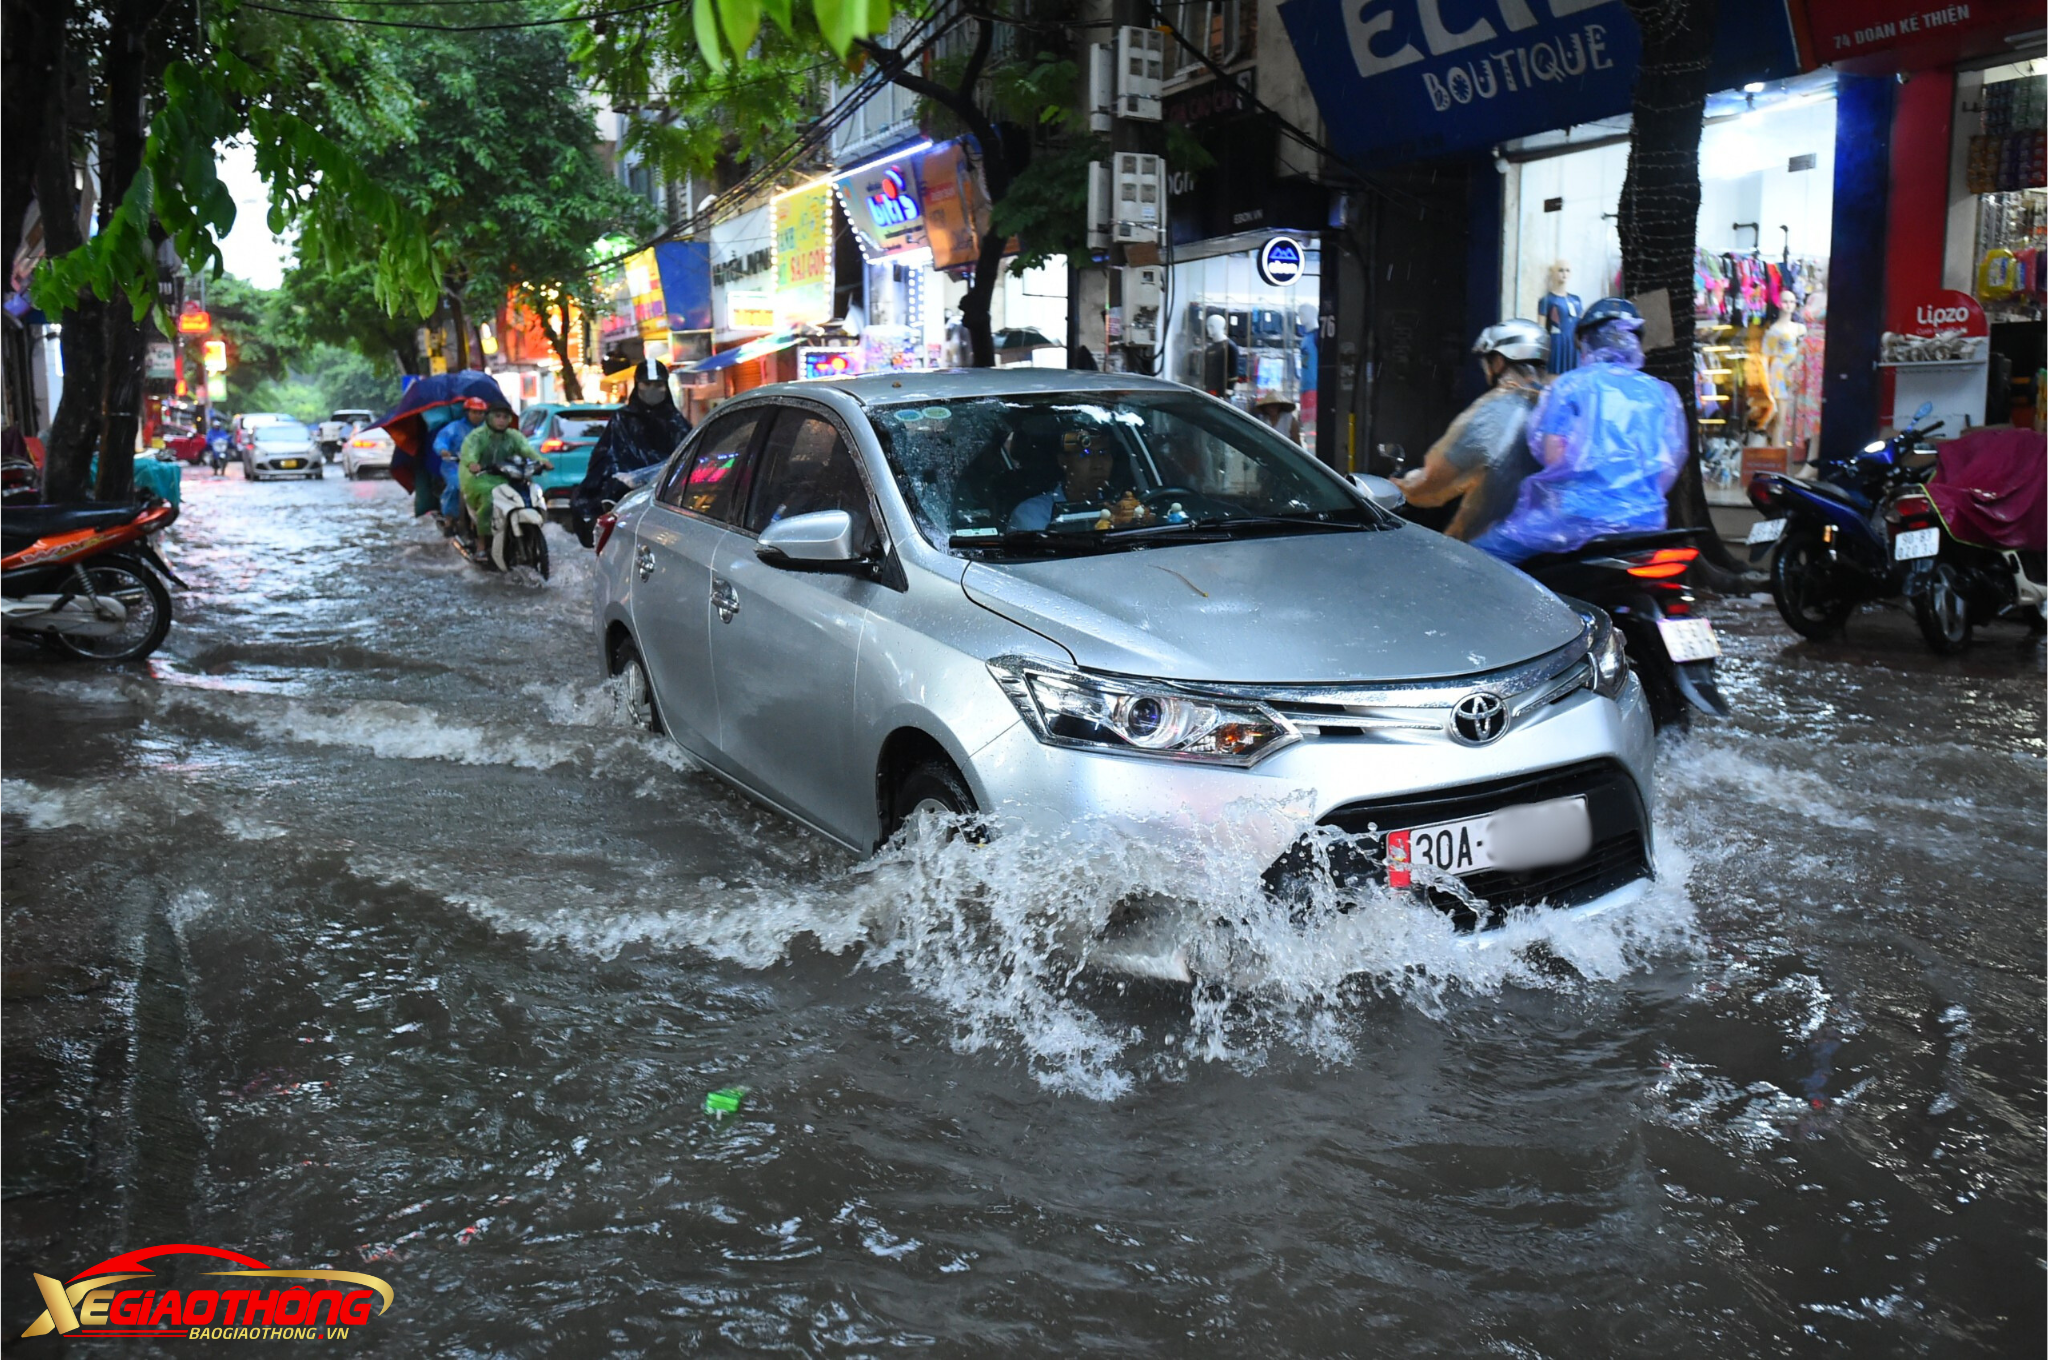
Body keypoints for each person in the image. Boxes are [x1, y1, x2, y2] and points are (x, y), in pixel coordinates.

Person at [1470, 298, 1688, 564]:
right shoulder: (1660, 393)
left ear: (1585, 341)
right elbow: (1667, 466)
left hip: (1572, 518)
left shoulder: (1569, 386)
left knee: (1479, 557)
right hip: (1645, 520)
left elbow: (1553, 455)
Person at [1398, 319, 1548, 542]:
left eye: (1488, 361)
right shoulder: (1552, 402)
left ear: (1498, 362)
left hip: (1499, 537)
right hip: (1542, 532)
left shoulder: (1499, 411)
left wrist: (1402, 486)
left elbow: (1437, 479)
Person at [570, 358, 692, 546]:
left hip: (667, 496)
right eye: (647, 384)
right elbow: (606, 455)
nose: (653, 389)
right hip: (627, 496)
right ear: (638, 385)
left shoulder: (676, 422)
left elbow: (688, 456)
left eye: (658, 384)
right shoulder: (622, 419)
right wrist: (621, 477)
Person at [1008, 428, 1149, 531]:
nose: (1098, 465)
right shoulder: (1032, 513)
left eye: (1103, 453)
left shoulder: (1121, 506)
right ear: (1063, 461)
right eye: (1085, 454)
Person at [459, 397, 550, 544]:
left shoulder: (513, 436)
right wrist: (472, 464)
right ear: (489, 417)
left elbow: (525, 449)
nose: (501, 420)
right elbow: (470, 452)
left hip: (508, 476)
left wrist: (541, 460)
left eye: (505, 417)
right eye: (497, 416)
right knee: (489, 501)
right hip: (480, 478)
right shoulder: (477, 436)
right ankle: (482, 543)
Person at [430, 397, 487, 531]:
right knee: (457, 486)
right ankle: (449, 518)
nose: (478, 416)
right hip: (455, 465)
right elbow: (441, 441)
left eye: (481, 413)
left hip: (481, 467)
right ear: (467, 412)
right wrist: (443, 450)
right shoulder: (454, 427)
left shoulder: (488, 430)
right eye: (474, 412)